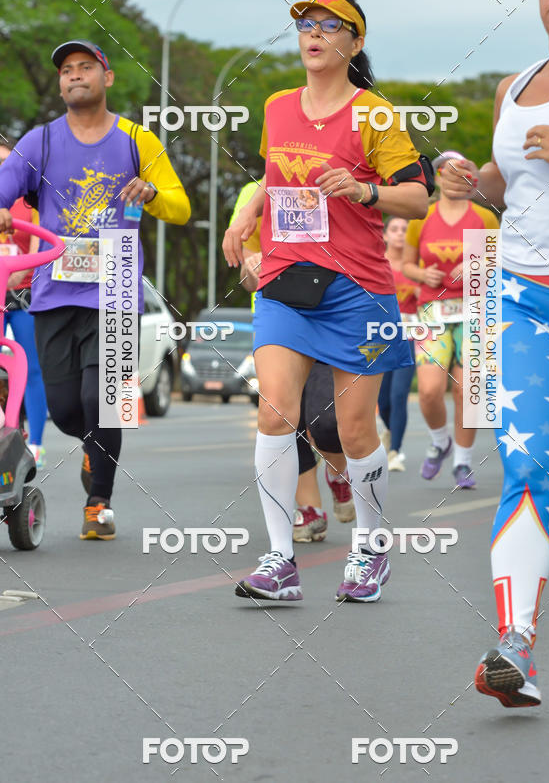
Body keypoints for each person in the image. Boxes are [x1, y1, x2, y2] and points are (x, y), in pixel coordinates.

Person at [223, 0, 433, 603]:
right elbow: (272, 174)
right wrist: (246, 215)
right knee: (274, 413)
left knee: (354, 428)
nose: (313, 34)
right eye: (305, 25)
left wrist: (362, 191)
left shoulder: (376, 114)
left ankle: (370, 549)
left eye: (329, 25)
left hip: (357, 288)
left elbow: (416, 198)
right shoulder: (278, 105)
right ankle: (279, 560)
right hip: (286, 280)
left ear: (354, 42)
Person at [443, 0, 549, 707]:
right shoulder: (514, 86)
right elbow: (512, 183)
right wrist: (473, 182)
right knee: (529, 469)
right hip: (524, 300)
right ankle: (514, 649)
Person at [0, 40, 190, 539]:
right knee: (65, 406)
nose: (75, 75)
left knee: (105, 398)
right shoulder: (39, 142)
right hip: (53, 291)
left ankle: (99, 503)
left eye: (86, 67)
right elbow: (3, 186)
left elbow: (181, 208)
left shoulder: (136, 141)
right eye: (66, 70)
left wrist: (152, 192)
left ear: (107, 78)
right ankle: (93, 446)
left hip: (118, 289)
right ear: (61, 84)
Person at [231, 182, 355, 545]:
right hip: (279, 322)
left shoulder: (333, 176)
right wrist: (252, 267)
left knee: (327, 421)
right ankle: (310, 511)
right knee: (284, 417)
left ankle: (338, 470)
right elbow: (246, 276)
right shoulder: (252, 193)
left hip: (331, 318)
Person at [403, 151, 499, 488]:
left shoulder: (484, 218)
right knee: (429, 390)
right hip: (432, 309)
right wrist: (422, 274)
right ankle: (439, 440)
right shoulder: (421, 217)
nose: (457, 178)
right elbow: (406, 265)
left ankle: (462, 462)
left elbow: (497, 263)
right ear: (439, 176)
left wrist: (479, 266)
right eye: (450, 172)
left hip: (475, 310)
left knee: (467, 392)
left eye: (464, 173)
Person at [0, 146, 48, 465]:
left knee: (30, 367)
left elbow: (39, 240)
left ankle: (37, 446)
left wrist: (20, 274)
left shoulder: (28, 199)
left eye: (6, 162)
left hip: (22, 288)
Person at [377, 216, 419, 472]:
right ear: (385, 235)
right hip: (379, 336)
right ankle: (390, 431)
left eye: (405, 229)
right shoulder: (377, 263)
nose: (400, 234)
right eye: (394, 229)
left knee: (399, 394)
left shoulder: (416, 266)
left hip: (410, 335)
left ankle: (394, 452)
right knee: (382, 400)